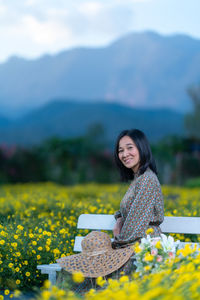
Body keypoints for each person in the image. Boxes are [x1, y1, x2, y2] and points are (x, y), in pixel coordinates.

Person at [57, 128, 164, 292]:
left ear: (142, 148)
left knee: (93, 277)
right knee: (87, 270)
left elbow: (136, 225)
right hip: (132, 243)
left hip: (140, 247)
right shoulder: (139, 178)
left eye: (130, 148)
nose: (124, 154)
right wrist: (120, 218)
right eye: (120, 150)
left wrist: (116, 243)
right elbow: (132, 211)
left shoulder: (147, 180)